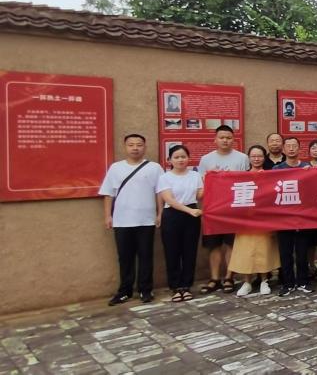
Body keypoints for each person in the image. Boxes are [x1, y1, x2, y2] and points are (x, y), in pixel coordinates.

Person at [99, 134, 163, 305]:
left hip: (146, 220)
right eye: (131, 145)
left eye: (139, 145)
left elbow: (160, 192)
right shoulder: (115, 168)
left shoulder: (154, 168)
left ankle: (145, 290)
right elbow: (108, 194)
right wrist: (108, 216)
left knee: (145, 256)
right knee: (125, 257)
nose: (135, 148)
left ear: (145, 147)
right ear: (125, 147)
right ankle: (125, 291)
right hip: (122, 220)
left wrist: (160, 213)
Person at [197, 125, 249, 294]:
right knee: (214, 245)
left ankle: (229, 277)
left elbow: (246, 181)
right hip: (213, 208)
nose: (225, 140)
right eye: (222, 137)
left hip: (234, 208)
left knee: (231, 244)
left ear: (233, 140)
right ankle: (214, 278)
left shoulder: (242, 158)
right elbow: (201, 183)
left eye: (228, 137)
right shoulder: (206, 159)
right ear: (215, 140)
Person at [229, 145, 280, 297]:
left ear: (264, 158)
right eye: (253, 156)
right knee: (246, 251)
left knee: (264, 250)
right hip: (245, 220)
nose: (256, 159)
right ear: (249, 158)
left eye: (260, 156)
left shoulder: (270, 175)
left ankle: (264, 280)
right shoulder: (241, 176)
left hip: (264, 219)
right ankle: (247, 282)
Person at [158, 145, 203, 303]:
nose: (180, 160)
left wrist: (213, 179)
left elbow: (200, 195)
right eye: (176, 157)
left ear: (188, 158)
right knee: (172, 252)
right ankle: (175, 287)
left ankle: (186, 286)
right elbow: (169, 200)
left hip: (192, 215)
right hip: (172, 215)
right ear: (169, 160)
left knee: (190, 251)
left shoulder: (195, 175)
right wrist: (189, 211)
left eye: (183, 156)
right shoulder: (165, 177)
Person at [273, 137, 314, 296]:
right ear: (283, 149)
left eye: (294, 146)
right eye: (288, 146)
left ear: (299, 148)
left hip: (303, 217)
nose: (291, 149)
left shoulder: (307, 167)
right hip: (283, 218)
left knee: (302, 252)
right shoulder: (277, 169)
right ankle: (288, 283)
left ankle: (303, 281)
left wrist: (311, 173)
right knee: (285, 253)